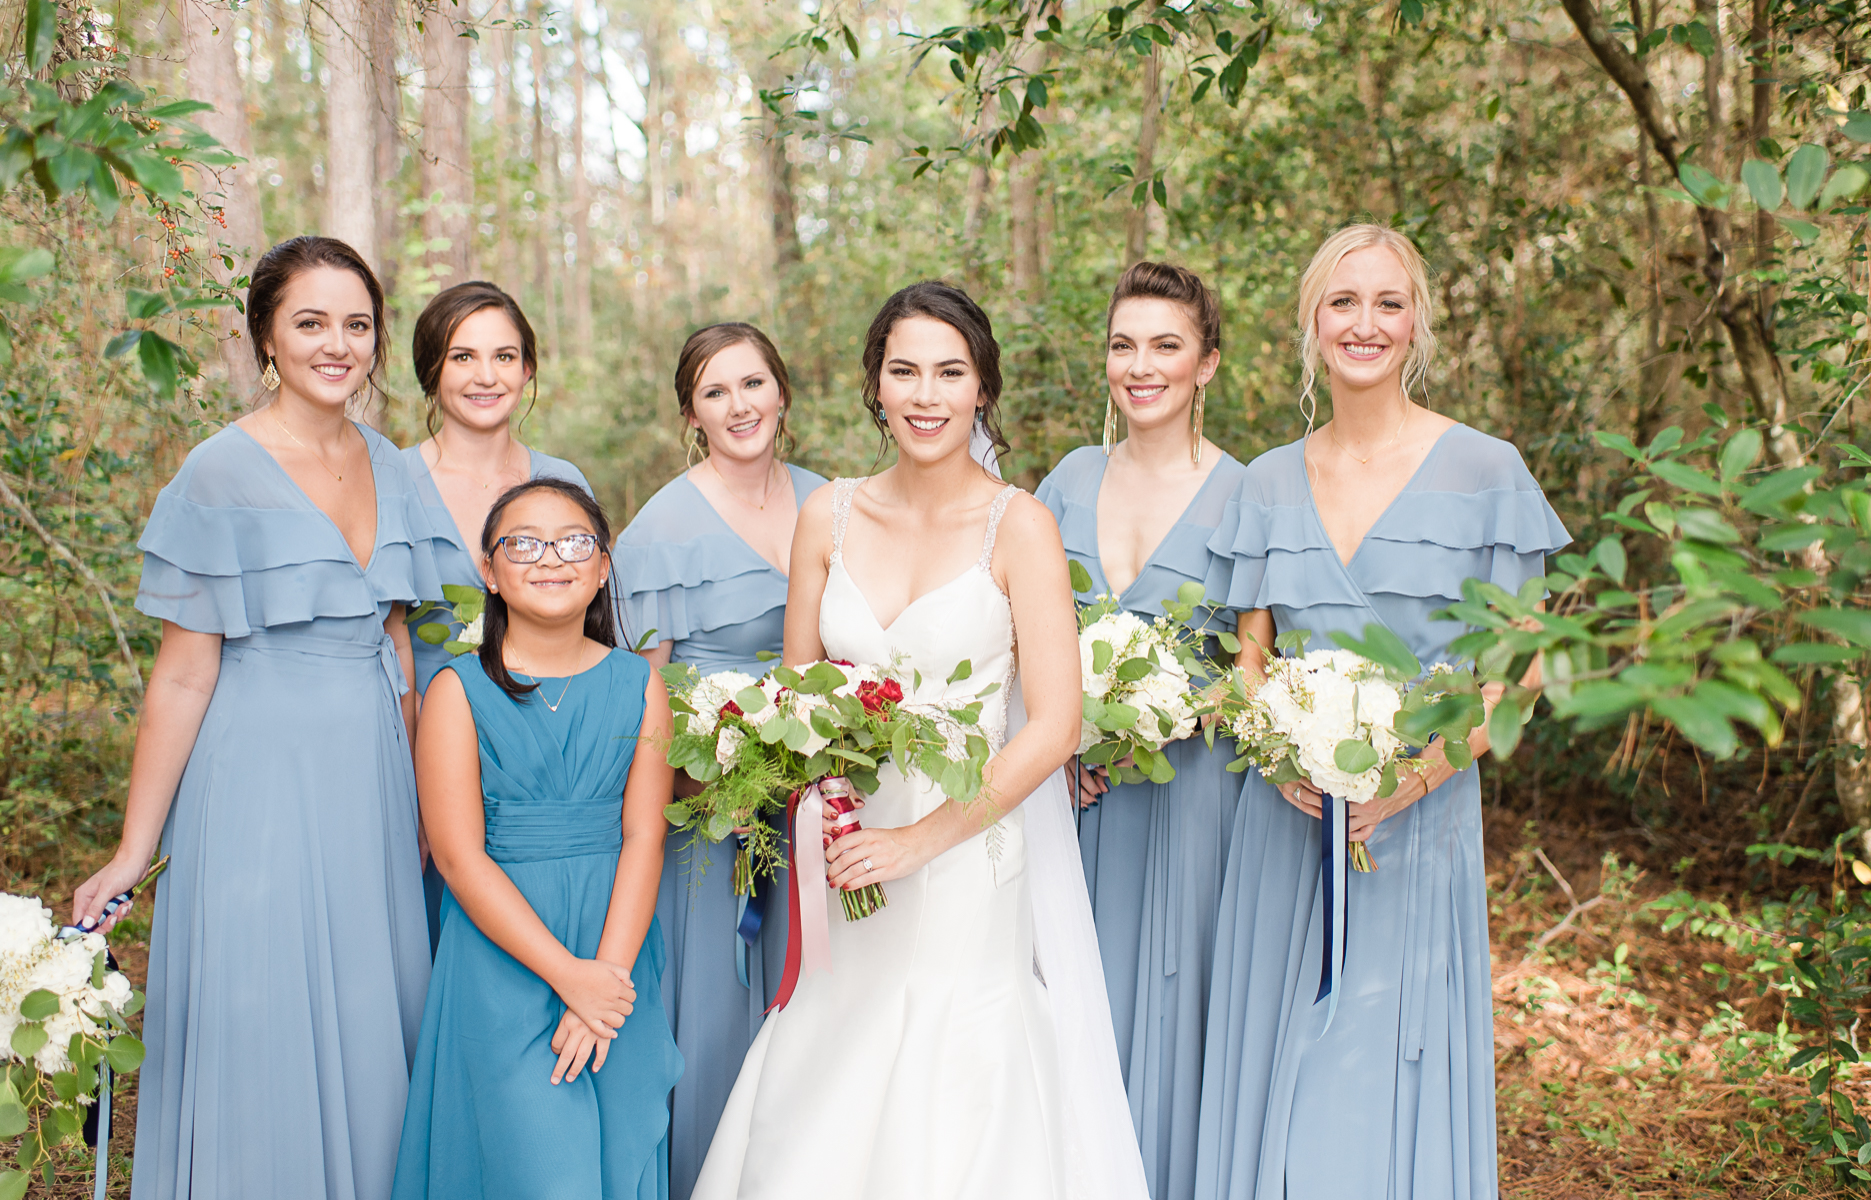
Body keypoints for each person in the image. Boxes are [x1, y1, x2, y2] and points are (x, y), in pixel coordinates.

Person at [694, 282, 1147, 1200]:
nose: (926, 394)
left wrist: (917, 841)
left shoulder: (1020, 526)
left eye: (950, 372)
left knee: (952, 1083)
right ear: (876, 385)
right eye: (904, 370)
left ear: (982, 389)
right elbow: (800, 691)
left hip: (964, 857)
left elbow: (1055, 723)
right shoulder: (827, 518)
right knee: (832, 1053)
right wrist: (823, 803)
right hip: (849, 850)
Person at [1193, 224, 1568, 1199]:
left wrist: (1412, 781)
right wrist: (1279, 759)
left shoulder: (1487, 471)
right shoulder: (1268, 481)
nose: (1364, 324)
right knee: (1286, 1065)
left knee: (1376, 1065)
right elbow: (1249, 656)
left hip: (1418, 823)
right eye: (1342, 302)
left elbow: (1519, 671)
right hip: (1287, 826)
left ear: (1417, 323)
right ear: (1311, 324)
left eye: (1387, 303)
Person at [72, 236, 442, 1200]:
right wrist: (130, 850)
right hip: (257, 784)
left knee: (373, 1015)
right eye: (310, 323)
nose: (338, 344)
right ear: (266, 340)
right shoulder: (220, 471)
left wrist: (418, 807)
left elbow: (397, 644)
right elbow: (184, 678)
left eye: (356, 325)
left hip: (369, 782)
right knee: (267, 1019)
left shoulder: (396, 467)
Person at [393, 478, 683, 1198]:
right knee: (533, 1161)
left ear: (604, 565)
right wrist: (567, 976)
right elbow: (459, 859)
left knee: (617, 1152)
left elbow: (645, 834)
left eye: (574, 541)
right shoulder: (458, 692)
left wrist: (605, 983)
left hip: (616, 947)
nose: (550, 559)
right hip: (505, 958)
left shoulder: (639, 684)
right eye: (522, 543)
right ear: (488, 571)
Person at [1034, 261, 1251, 1200]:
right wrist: (1061, 740)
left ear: (1207, 363)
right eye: (1124, 345)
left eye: (1165, 346)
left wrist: (1172, 717)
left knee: (1175, 1000)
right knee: (1064, 1006)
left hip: (1194, 794)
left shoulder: (1250, 492)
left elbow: (1258, 661)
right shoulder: (1066, 479)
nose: (1141, 366)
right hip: (1066, 796)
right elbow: (1014, 634)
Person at [614, 323, 826, 1199]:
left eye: (752, 384)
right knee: (714, 1015)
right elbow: (638, 696)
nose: (739, 406)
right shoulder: (660, 529)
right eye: (715, 391)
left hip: (822, 806)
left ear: (781, 391)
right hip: (711, 812)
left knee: (820, 1018)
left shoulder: (832, 501)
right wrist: (705, 776)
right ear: (690, 414)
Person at [400, 280, 615, 952]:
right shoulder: (391, 482)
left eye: (504, 355)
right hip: (430, 752)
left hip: (545, 760)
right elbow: (386, 646)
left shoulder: (562, 479)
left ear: (528, 370)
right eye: (462, 357)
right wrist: (414, 792)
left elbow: (594, 625)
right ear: (431, 370)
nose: (485, 376)